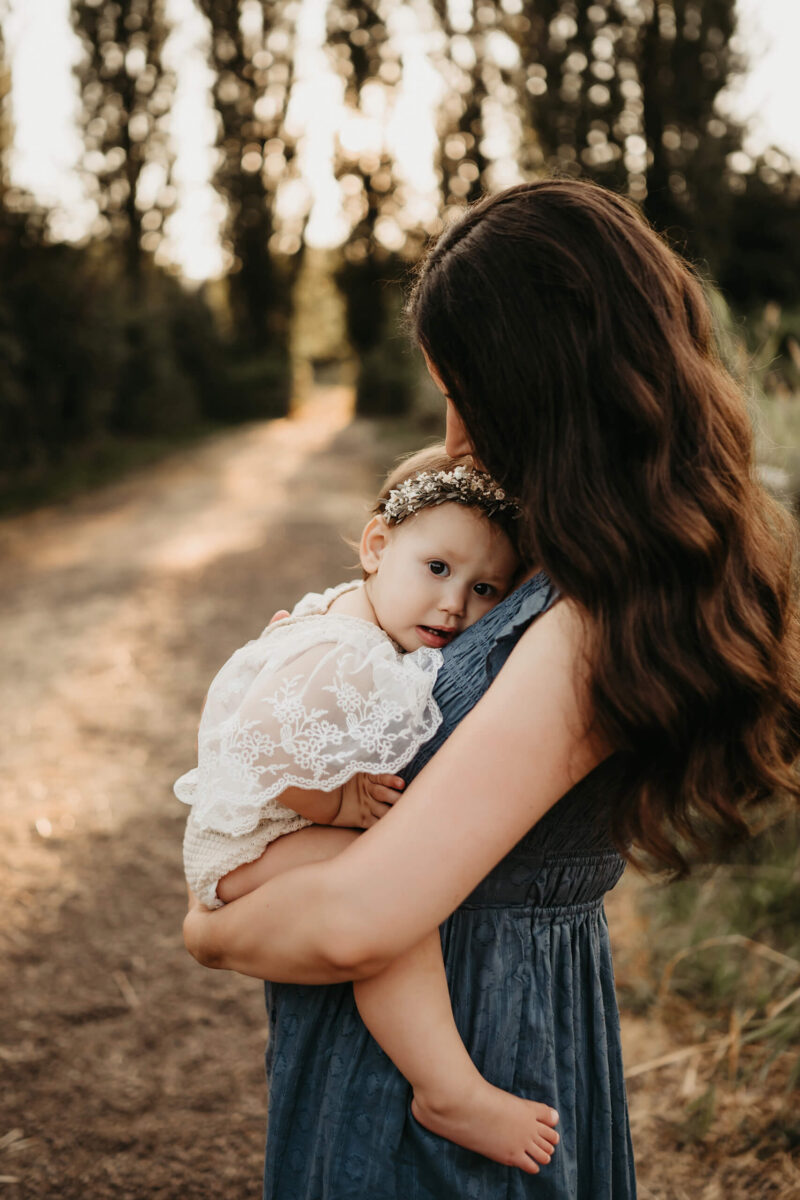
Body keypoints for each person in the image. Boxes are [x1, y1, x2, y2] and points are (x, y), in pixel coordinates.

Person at [183, 180, 800, 1199]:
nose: (456, 435)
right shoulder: (543, 559)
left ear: (541, 391)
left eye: (466, 393)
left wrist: (206, 928)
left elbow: (351, 922)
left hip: (470, 1056)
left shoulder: (589, 627)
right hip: (418, 1028)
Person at [177, 445, 560, 1171]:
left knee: (389, 887)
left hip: (259, 838)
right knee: (392, 895)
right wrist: (338, 801)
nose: (454, 604)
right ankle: (446, 1089)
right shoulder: (347, 649)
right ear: (376, 546)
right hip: (250, 844)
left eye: (485, 589)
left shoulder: (358, 614)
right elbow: (255, 741)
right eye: (437, 569)